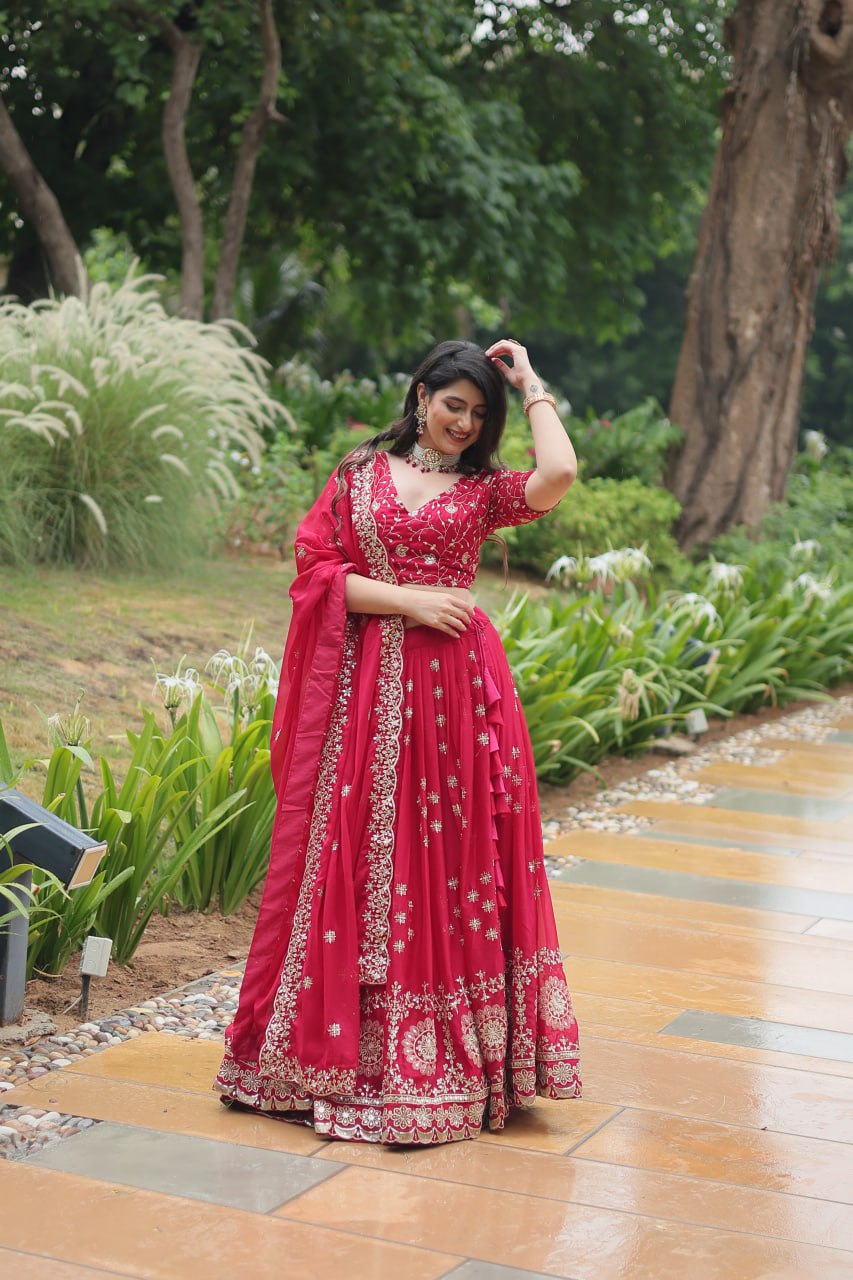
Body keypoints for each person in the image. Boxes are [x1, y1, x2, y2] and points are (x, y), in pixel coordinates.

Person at [214, 338, 581, 1144]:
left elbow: (556, 477)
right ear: (420, 396)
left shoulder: (484, 491)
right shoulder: (357, 474)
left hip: (455, 698)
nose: (463, 422)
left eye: (478, 413)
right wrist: (409, 600)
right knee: (351, 852)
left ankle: (435, 1063)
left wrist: (530, 388)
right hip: (363, 690)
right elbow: (314, 571)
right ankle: (326, 1058)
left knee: (443, 858)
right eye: (454, 403)